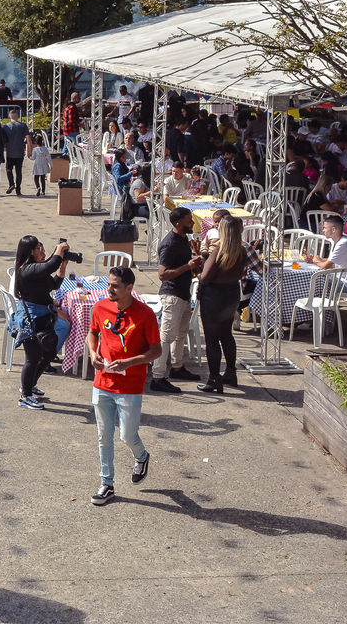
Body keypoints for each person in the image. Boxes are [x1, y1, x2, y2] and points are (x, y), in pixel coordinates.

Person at [87, 266, 161, 506]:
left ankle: (142, 456)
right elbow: (93, 333)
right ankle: (106, 483)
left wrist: (129, 362)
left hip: (130, 385)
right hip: (103, 382)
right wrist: (92, 353)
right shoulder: (100, 307)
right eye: (109, 284)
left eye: (116, 286)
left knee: (127, 435)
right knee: (103, 436)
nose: (110, 289)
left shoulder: (145, 314)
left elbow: (156, 350)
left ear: (129, 288)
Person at [197, 215, 259, 393]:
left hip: (214, 298)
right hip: (232, 295)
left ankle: (214, 378)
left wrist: (196, 268)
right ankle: (231, 372)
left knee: (212, 339)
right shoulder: (242, 250)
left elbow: (205, 279)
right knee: (227, 335)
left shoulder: (218, 252)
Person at [13, 235, 72, 409]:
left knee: (48, 353)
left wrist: (63, 265)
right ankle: (25, 396)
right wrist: (59, 250)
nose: (43, 252)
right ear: (31, 251)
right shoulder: (27, 269)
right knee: (32, 359)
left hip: (43, 318)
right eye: (40, 248)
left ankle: (30, 385)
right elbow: (50, 265)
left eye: (44, 248)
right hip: (31, 320)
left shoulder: (37, 270)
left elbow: (53, 284)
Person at [150, 208, 205, 394]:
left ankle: (177, 367)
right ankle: (157, 377)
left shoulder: (183, 239)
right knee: (165, 337)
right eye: (189, 220)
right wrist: (187, 266)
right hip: (171, 295)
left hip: (183, 294)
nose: (192, 223)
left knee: (181, 334)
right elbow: (162, 274)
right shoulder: (170, 244)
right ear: (178, 223)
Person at [307, 215, 347, 293]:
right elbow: (333, 260)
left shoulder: (343, 244)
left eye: (325, 228)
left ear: (333, 229)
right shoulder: (346, 239)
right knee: (316, 279)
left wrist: (315, 260)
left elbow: (326, 266)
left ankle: (316, 303)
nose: (323, 230)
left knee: (316, 279)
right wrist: (319, 259)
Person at [2, 107, 29, 196]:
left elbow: (3, 139)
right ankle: (18, 189)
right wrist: (30, 149)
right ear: (17, 116)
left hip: (10, 152)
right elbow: (28, 138)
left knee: (8, 169)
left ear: (9, 117)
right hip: (20, 152)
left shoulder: (6, 127)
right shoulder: (23, 126)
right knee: (19, 171)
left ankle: (11, 184)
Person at [29, 132, 52, 196]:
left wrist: (29, 157)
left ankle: (38, 187)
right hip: (44, 164)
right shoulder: (45, 149)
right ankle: (43, 191)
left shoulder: (35, 149)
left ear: (35, 142)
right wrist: (51, 164)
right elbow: (49, 157)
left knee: (36, 178)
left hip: (37, 165)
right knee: (43, 179)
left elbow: (33, 158)